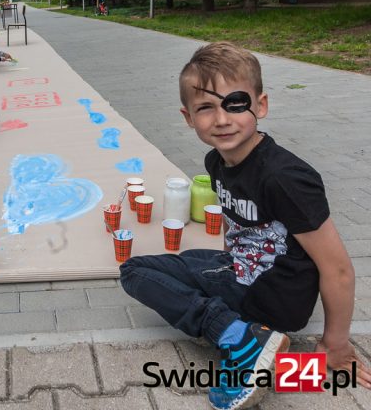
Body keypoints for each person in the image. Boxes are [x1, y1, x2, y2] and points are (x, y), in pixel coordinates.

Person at [119, 42, 371, 410]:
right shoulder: (216, 161)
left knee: (136, 271)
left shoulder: (286, 177)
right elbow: (233, 219)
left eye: (235, 103)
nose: (222, 119)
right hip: (242, 274)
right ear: (188, 117)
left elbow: (338, 268)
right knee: (138, 272)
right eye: (206, 108)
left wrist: (335, 342)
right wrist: (223, 263)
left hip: (275, 296)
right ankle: (261, 347)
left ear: (261, 105)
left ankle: (240, 338)